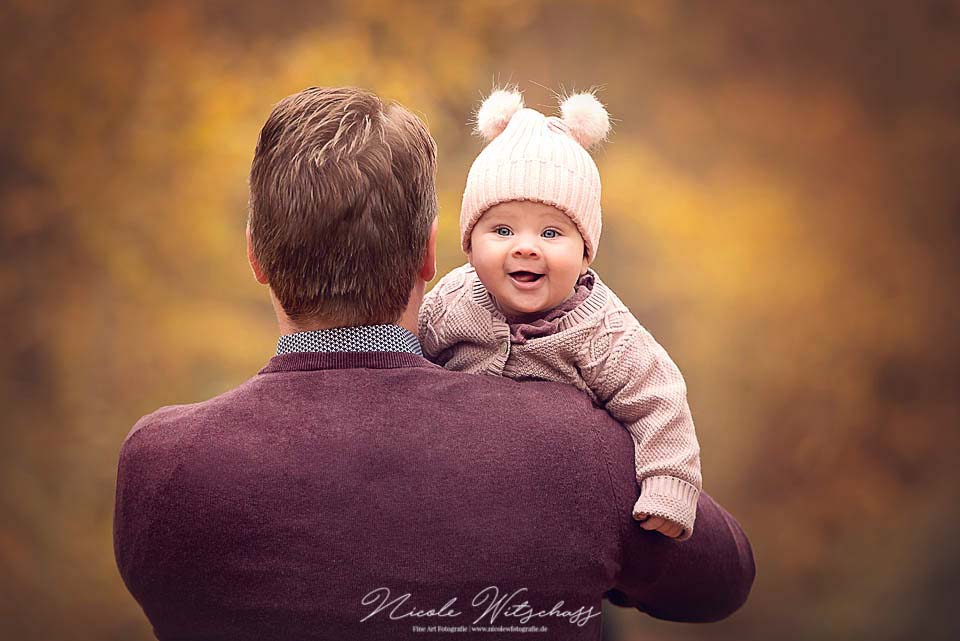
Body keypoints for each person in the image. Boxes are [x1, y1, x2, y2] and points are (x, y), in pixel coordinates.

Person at [113, 86, 755, 641]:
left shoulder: (162, 466)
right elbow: (723, 581)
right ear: (429, 255)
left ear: (255, 255)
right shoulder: (574, 446)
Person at [419, 88, 700, 540]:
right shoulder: (450, 302)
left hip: (556, 512)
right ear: (469, 245)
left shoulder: (603, 330)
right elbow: (409, 361)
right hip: (459, 498)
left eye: (552, 232)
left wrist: (667, 486)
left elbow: (658, 397)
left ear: (586, 253)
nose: (526, 246)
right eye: (502, 229)